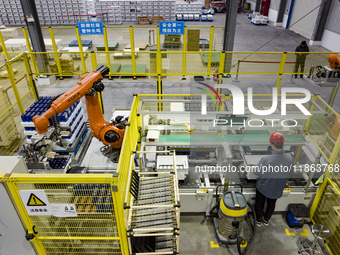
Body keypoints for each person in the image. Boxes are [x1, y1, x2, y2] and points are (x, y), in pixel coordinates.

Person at [254, 132, 293, 227]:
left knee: (259, 204)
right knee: (271, 205)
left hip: (263, 188)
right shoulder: (290, 159)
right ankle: (266, 220)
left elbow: (258, 172)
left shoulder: (266, 159)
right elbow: (290, 173)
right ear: (282, 144)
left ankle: (258, 220)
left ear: (272, 144)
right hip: (278, 188)